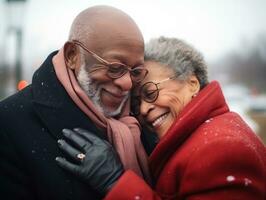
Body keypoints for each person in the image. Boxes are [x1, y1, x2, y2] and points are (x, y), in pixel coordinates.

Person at [57, 37, 266, 200]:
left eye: (150, 92)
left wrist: (116, 182)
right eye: (138, 102)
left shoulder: (222, 149)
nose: (145, 110)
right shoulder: (203, 135)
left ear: (192, 83)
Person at [0, 5, 151, 200]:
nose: (127, 83)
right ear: (73, 56)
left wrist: (117, 182)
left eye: (136, 71)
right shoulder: (9, 123)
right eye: (115, 67)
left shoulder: (144, 117)